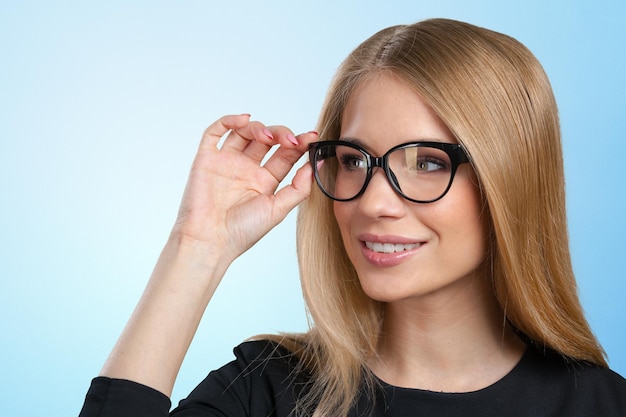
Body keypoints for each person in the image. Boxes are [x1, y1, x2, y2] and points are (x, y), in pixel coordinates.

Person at [78, 18, 626, 417]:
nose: (373, 202)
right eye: (354, 161)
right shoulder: (269, 390)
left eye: (427, 163)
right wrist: (196, 246)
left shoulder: (603, 404)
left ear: (509, 181)